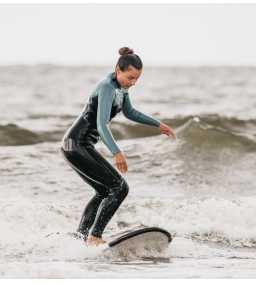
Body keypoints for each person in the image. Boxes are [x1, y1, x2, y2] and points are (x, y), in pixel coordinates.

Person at [60, 47, 177, 247]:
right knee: (120, 187)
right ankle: (95, 237)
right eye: (130, 77)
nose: (133, 83)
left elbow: (130, 112)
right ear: (118, 70)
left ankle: (81, 237)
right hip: (76, 144)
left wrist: (158, 124)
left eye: (136, 79)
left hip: (77, 145)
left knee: (104, 191)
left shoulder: (120, 88)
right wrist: (117, 153)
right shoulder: (106, 87)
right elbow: (101, 124)